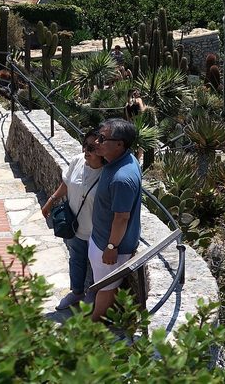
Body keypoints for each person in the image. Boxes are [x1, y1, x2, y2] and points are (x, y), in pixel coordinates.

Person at [40, 131, 107, 312]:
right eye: (85, 145)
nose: (87, 150)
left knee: (95, 265)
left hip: (96, 231)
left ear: (101, 150)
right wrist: (51, 200)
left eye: (92, 147)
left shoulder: (107, 174)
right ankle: (76, 292)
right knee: (76, 259)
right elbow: (67, 183)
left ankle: (92, 293)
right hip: (75, 226)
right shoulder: (77, 161)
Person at [88, 118, 144, 322]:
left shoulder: (122, 177)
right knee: (102, 283)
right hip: (102, 238)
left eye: (102, 138)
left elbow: (121, 218)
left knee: (106, 287)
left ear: (119, 144)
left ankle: (94, 322)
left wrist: (112, 246)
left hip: (111, 246)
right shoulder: (119, 161)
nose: (96, 142)